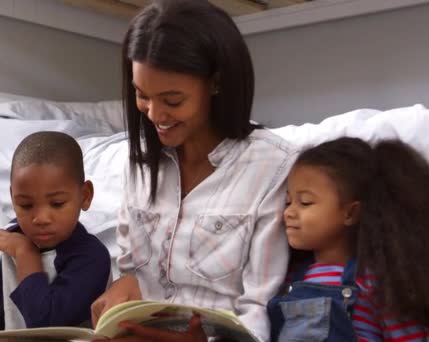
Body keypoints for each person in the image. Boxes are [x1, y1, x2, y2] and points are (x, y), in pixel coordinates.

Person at [90, 0, 296, 341]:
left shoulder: (272, 167)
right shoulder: (140, 163)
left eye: (172, 101)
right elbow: (129, 272)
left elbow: (259, 311)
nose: (155, 115)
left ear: (216, 83)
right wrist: (122, 289)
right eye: (142, 96)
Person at [268, 137, 429, 341]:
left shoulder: (377, 282)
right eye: (288, 202)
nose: (288, 212)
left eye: (305, 202)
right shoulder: (289, 278)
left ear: (351, 213)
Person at [0, 131, 111, 332]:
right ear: (13, 197)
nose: (40, 218)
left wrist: (27, 255)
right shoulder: (16, 243)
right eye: (25, 205)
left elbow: (46, 325)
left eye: (57, 204)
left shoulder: (92, 257)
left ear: (85, 196)